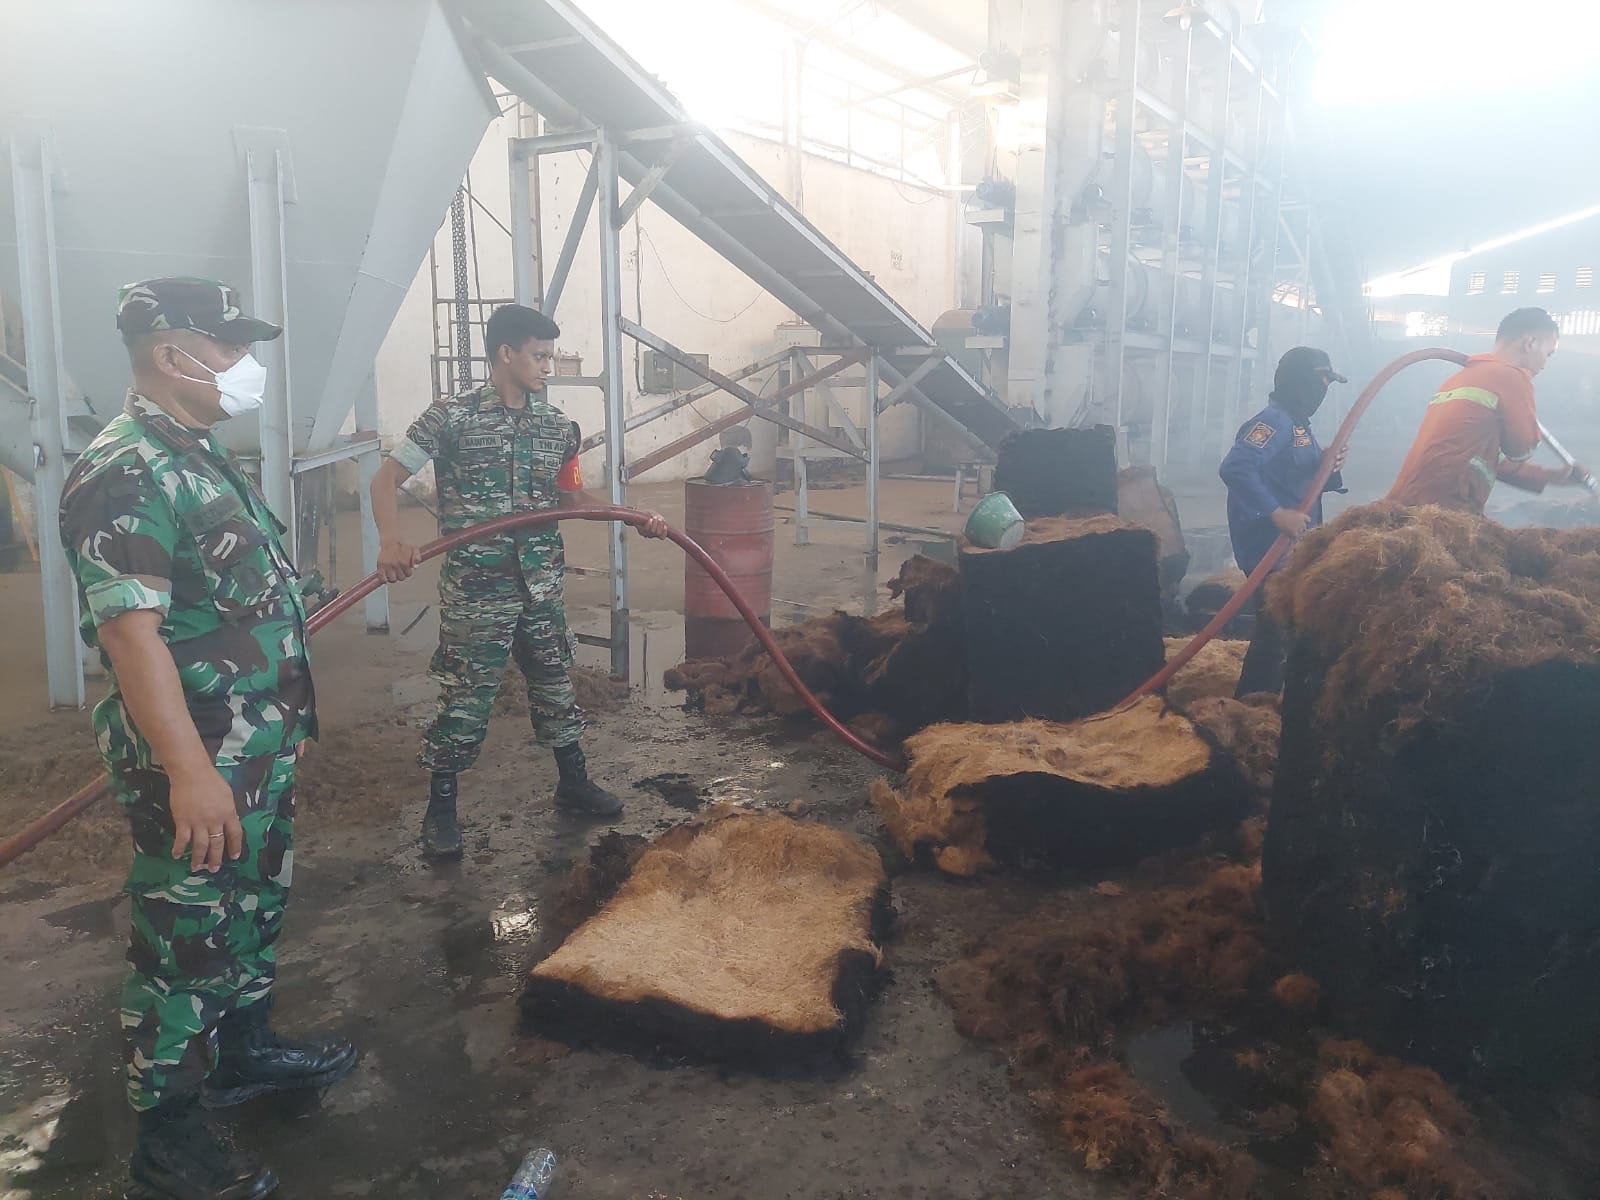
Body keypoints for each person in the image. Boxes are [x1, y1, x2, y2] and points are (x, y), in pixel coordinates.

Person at [58, 278, 356, 1200]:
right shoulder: (124, 468)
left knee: (254, 904)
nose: (243, 363)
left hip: (253, 745)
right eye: (226, 345)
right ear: (168, 353)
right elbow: (131, 636)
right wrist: (189, 771)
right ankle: (168, 1136)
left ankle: (242, 1052)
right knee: (187, 935)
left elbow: (240, 600)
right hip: (198, 756)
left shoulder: (195, 452)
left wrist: (285, 720)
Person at [370, 304, 667, 859]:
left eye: (551, 356)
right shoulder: (450, 417)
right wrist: (391, 541)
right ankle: (441, 809)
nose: (549, 367)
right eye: (540, 356)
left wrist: (632, 516)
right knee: (467, 696)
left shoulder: (558, 428)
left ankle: (573, 782)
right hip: (477, 589)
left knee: (555, 682)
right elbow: (385, 480)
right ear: (506, 353)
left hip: (541, 584)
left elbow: (571, 497)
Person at [1218, 346, 1349, 697]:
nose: (1324, 390)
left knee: (1284, 632)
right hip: (1269, 549)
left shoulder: (1298, 425)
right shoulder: (1273, 422)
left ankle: (1270, 698)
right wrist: (1276, 513)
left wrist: (1328, 465)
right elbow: (1236, 468)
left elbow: (1294, 475)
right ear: (1302, 381)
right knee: (1274, 634)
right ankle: (1253, 702)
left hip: (1292, 550)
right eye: (1322, 381)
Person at [1388, 307, 1587, 513]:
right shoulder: (1512, 377)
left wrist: (1552, 477)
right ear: (1531, 343)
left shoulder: (1459, 378)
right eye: (1548, 353)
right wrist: (1527, 416)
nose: (1545, 363)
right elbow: (1521, 450)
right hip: (1445, 508)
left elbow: (1481, 458)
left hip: (1406, 502)